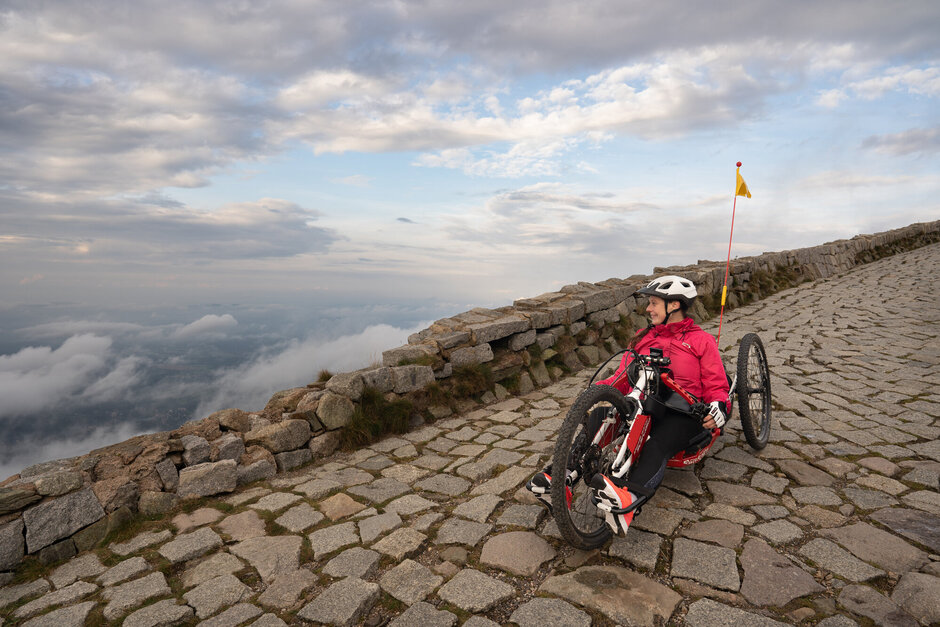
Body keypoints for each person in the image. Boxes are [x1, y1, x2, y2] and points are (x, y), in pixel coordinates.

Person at [527, 275, 730, 536]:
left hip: (684, 412)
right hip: (646, 403)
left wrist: (719, 406)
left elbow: (716, 382)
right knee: (601, 416)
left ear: (675, 305)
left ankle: (629, 497)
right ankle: (562, 477)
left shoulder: (701, 341)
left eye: (654, 303)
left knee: (658, 443)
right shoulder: (643, 337)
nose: (648, 309)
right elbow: (623, 376)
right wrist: (599, 392)